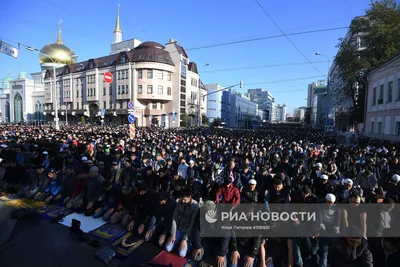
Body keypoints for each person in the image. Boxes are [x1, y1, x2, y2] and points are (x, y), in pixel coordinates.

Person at [166, 188, 199, 257]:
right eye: (182, 199)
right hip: (179, 228)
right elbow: (175, 218)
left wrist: (185, 239)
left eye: (185, 200)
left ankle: (188, 244)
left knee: (182, 254)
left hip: (188, 231)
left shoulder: (195, 206)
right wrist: (173, 234)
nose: (183, 201)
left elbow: (192, 224)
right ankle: (177, 241)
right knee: (168, 248)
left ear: (190, 197)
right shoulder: (180, 202)